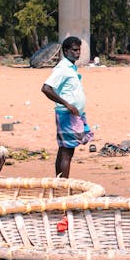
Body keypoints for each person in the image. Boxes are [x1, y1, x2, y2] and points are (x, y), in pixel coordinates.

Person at [41, 36, 93, 178]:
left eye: (79, 50)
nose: (78, 53)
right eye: (74, 50)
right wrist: (67, 104)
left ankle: (59, 182)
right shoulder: (63, 68)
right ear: (65, 51)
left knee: (64, 149)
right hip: (66, 115)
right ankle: (63, 185)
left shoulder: (71, 68)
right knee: (67, 152)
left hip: (73, 115)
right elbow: (46, 88)